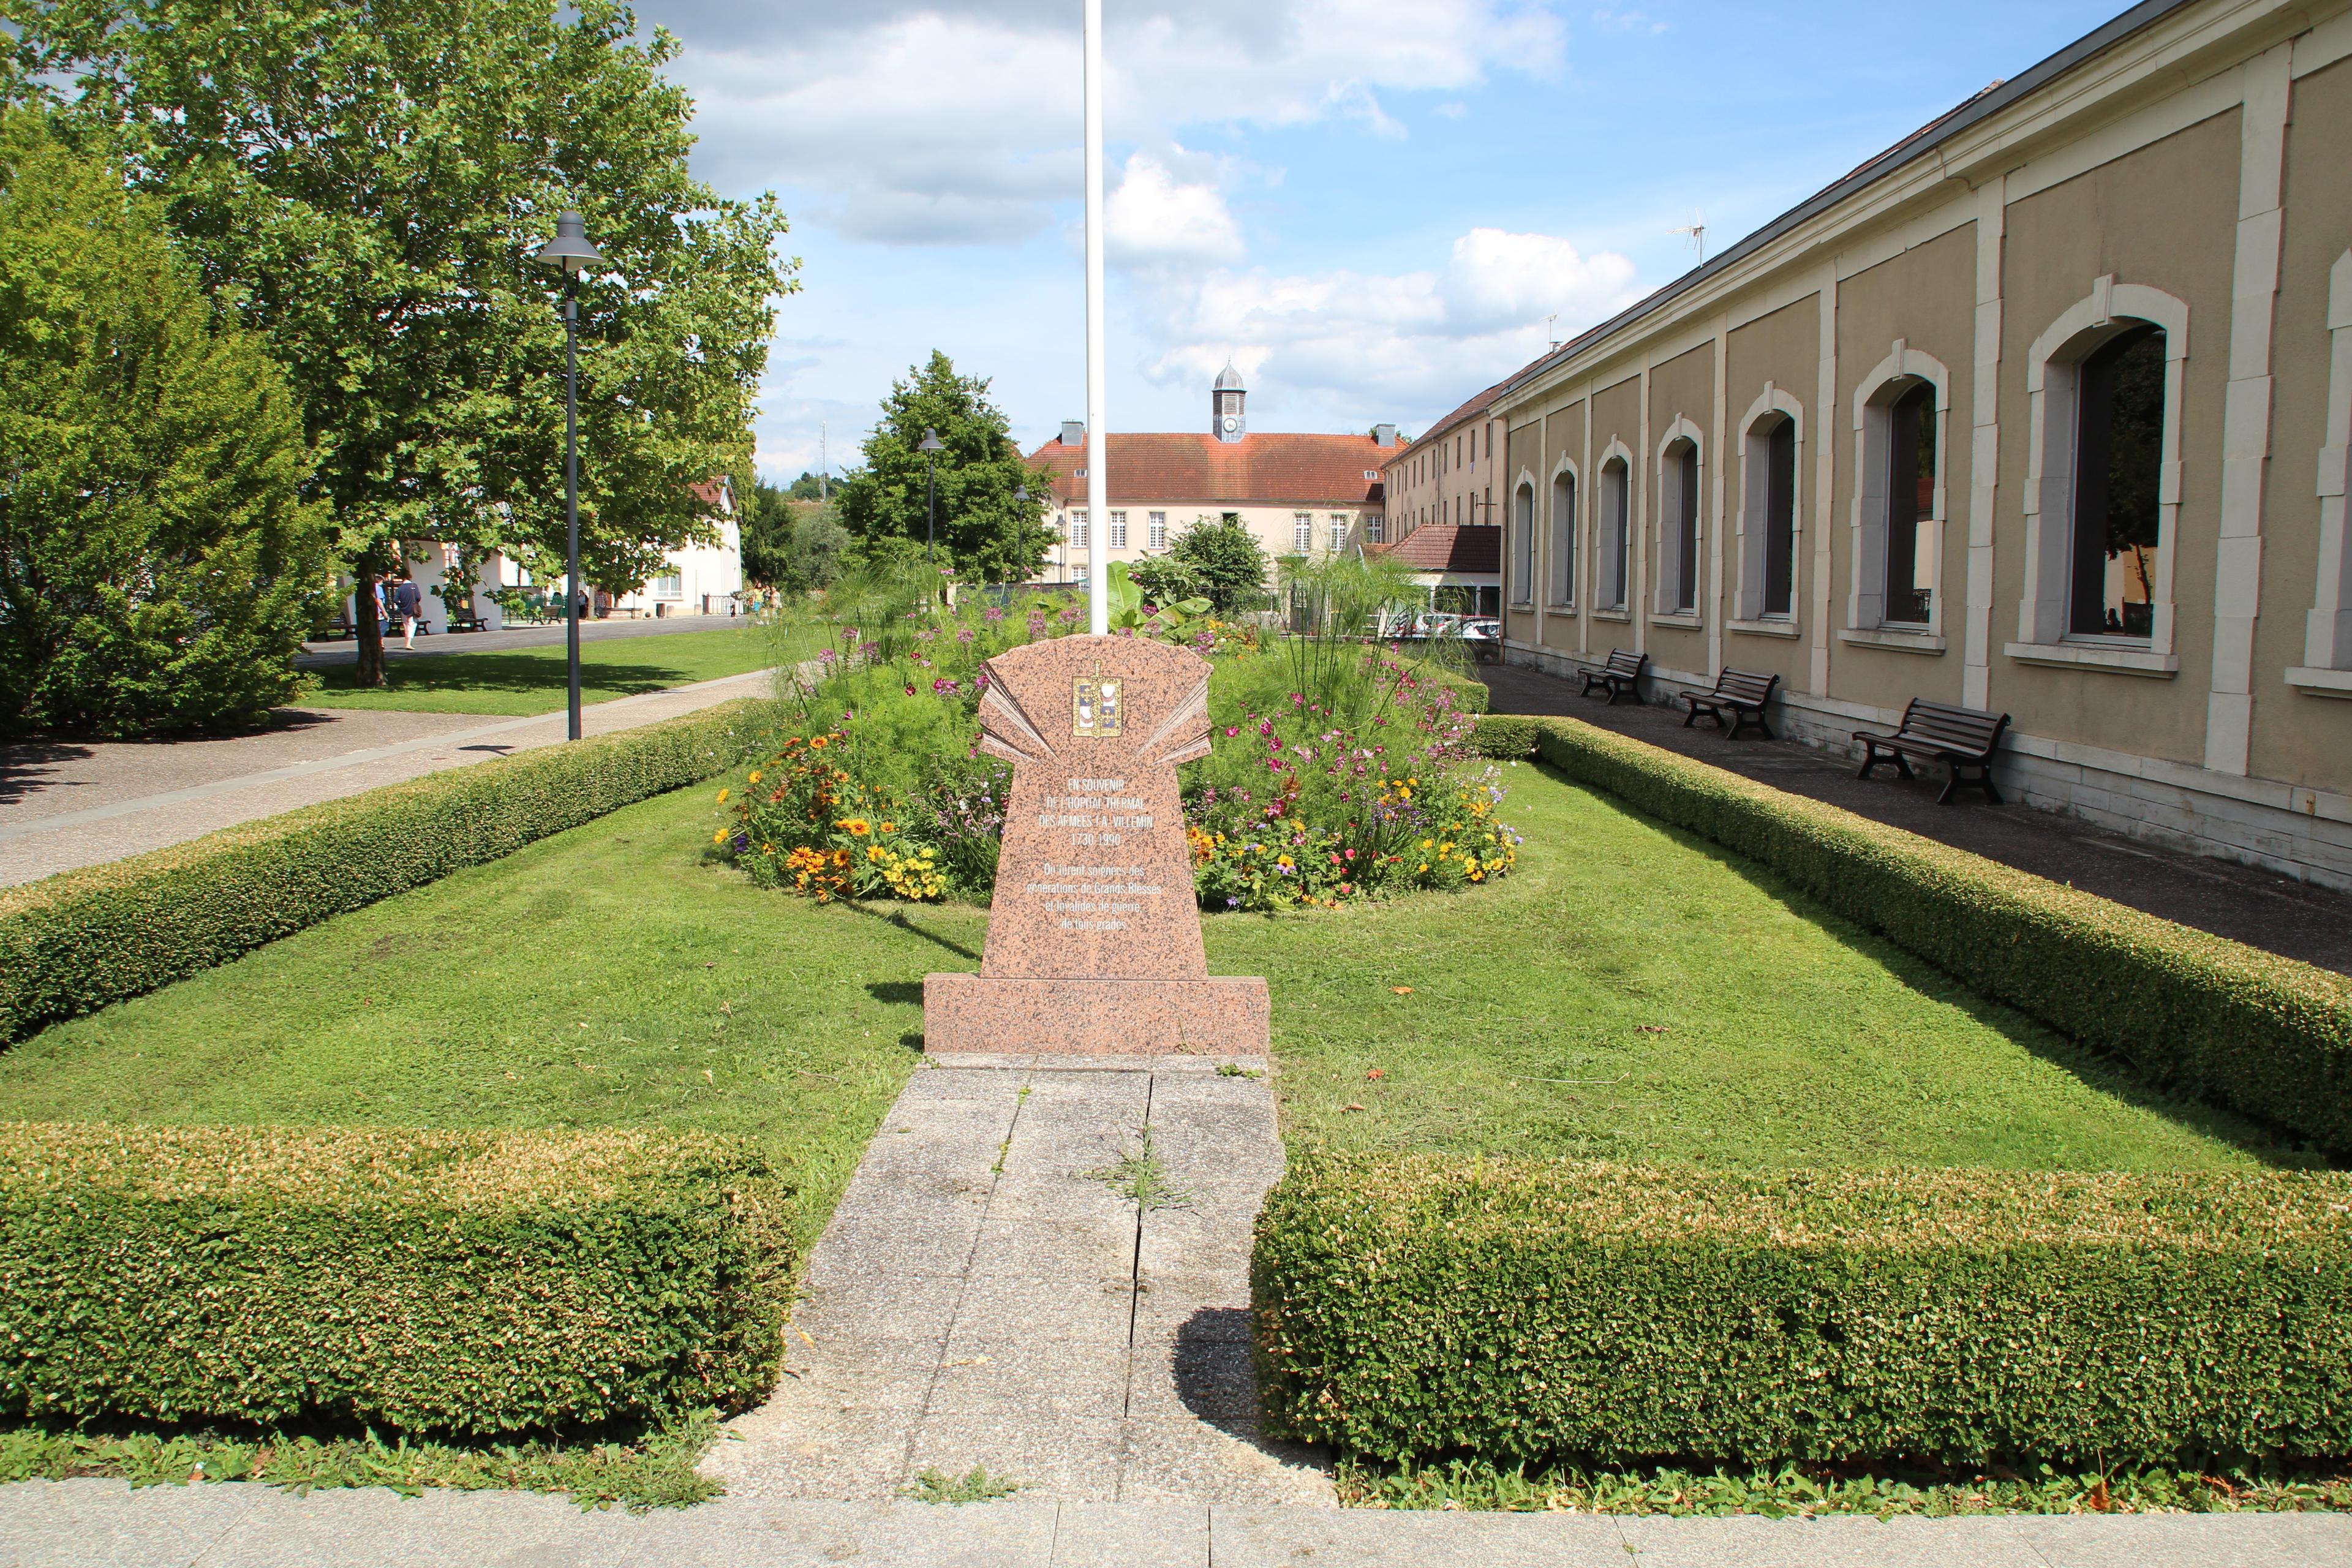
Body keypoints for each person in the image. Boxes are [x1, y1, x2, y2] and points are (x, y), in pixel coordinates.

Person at [393, 576, 424, 650]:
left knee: (406, 626)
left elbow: (395, 599)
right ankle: (408, 643)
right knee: (412, 625)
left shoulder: (400, 588)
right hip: (413, 609)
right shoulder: (414, 586)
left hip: (404, 609)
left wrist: (401, 605)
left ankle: (407, 641)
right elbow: (418, 597)